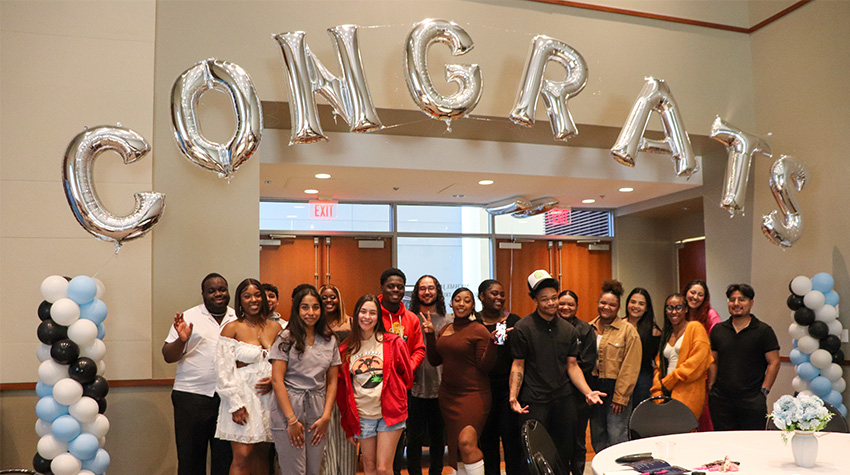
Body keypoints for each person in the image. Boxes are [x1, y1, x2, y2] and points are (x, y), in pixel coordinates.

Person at [510, 270, 605, 474]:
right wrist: (513, 396)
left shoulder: (568, 330)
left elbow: (572, 365)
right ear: (535, 300)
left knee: (563, 452)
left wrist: (587, 392)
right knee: (532, 454)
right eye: (544, 299)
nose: (551, 303)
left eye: (554, 297)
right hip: (534, 400)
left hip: (563, 399)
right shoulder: (522, 328)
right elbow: (518, 364)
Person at [162, 273, 236, 475]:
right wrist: (182, 340)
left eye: (222, 289)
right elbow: (168, 356)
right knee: (190, 460)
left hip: (227, 399)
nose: (218, 294)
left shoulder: (237, 318)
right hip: (191, 397)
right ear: (203, 294)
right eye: (212, 291)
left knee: (225, 460)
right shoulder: (188, 317)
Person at [422, 287, 496, 475]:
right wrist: (430, 335)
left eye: (466, 300)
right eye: (457, 300)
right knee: (457, 446)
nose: (461, 304)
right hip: (448, 396)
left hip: (474, 394)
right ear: (451, 303)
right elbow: (435, 360)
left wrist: (494, 345)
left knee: (466, 442)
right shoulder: (445, 329)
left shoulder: (479, 330)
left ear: (473, 306)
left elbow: (485, 367)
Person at [337, 295, 414, 475]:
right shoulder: (345, 349)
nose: (367, 317)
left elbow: (407, 376)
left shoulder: (393, 342)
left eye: (372, 313)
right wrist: (348, 426)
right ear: (355, 315)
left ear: (378, 317)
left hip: (390, 413)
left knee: (383, 468)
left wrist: (393, 391)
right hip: (363, 415)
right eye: (363, 312)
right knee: (369, 466)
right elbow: (343, 389)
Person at [270, 286, 341, 475]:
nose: (311, 313)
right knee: (294, 471)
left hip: (318, 408)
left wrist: (326, 417)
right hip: (289, 406)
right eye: (305, 307)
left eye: (316, 307)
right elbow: (277, 380)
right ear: (297, 310)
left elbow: (332, 382)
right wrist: (291, 420)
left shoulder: (329, 339)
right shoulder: (285, 338)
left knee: (313, 470)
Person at [215, 278, 283, 475]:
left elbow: (284, 363)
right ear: (240, 300)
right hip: (241, 397)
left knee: (263, 453)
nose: (253, 299)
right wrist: (235, 404)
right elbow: (222, 370)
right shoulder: (232, 328)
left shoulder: (276, 328)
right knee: (243, 455)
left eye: (257, 295)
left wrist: (275, 380)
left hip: (269, 398)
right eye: (247, 296)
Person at [708, 284, 780, 431]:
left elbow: (774, 362)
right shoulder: (718, 330)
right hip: (721, 400)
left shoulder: (763, 331)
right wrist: (711, 387)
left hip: (752, 399)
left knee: (752, 443)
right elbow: (713, 361)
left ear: (751, 303)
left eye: (742, 299)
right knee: (723, 442)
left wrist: (764, 390)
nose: (736, 304)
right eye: (732, 299)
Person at [589, 279, 641, 453]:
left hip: (616, 391)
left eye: (612, 305)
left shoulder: (628, 331)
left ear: (618, 307)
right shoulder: (588, 327)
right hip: (594, 390)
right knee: (598, 437)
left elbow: (630, 366)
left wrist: (621, 396)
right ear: (598, 303)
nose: (606, 307)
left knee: (616, 437)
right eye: (603, 303)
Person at [477, 279, 522, 475]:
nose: (499, 298)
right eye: (494, 293)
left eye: (502, 294)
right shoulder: (473, 323)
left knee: (512, 440)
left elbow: (518, 356)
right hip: (482, 388)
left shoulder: (512, 321)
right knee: (487, 440)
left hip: (507, 387)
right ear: (481, 297)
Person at [405, 275, 448, 475]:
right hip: (414, 389)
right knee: (413, 438)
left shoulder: (449, 320)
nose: (427, 292)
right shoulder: (408, 318)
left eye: (431, 288)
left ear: (437, 291)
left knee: (439, 439)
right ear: (416, 292)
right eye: (422, 288)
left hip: (441, 389)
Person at [650, 293, 713, 418]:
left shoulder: (695, 328)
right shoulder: (667, 334)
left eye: (678, 307)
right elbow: (658, 365)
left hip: (688, 391)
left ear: (686, 309)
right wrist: (658, 389)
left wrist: (671, 379)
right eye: (670, 308)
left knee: (686, 431)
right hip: (666, 391)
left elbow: (697, 362)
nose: (674, 312)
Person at [318, 284, 357, 475]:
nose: (328, 301)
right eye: (324, 297)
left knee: (347, 437)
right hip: (321, 387)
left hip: (347, 386)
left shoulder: (351, 322)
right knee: (326, 440)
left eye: (332, 297)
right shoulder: (313, 324)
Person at [557, 290, 597, 475]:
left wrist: (561, 371)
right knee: (559, 439)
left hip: (578, 393)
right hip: (554, 394)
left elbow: (587, 362)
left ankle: (578, 471)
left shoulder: (585, 329)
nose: (565, 307)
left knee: (578, 440)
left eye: (570, 304)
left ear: (577, 307)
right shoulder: (550, 327)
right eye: (562, 303)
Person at [682, 279, 720, 430]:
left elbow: (716, 345)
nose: (695, 297)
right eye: (692, 292)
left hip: (702, 376)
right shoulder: (680, 314)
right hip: (682, 375)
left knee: (704, 418)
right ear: (685, 293)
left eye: (700, 294)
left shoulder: (711, 315)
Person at [377, 268, 425, 370]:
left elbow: (419, 349)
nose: (395, 290)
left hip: (404, 379)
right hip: (376, 377)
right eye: (390, 286)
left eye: (400, 287)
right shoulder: (372, 315)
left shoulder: (412, 319)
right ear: (381, 288)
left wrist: (408, 368)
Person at [624, 288, 661, 406]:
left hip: (642, 379)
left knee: (639, 415)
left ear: (646, 308)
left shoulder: (654, 331)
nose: (636, 306)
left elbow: (657, 360)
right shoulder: (618, 325)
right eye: (633, 302)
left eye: (641, 304)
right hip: (619, 377)